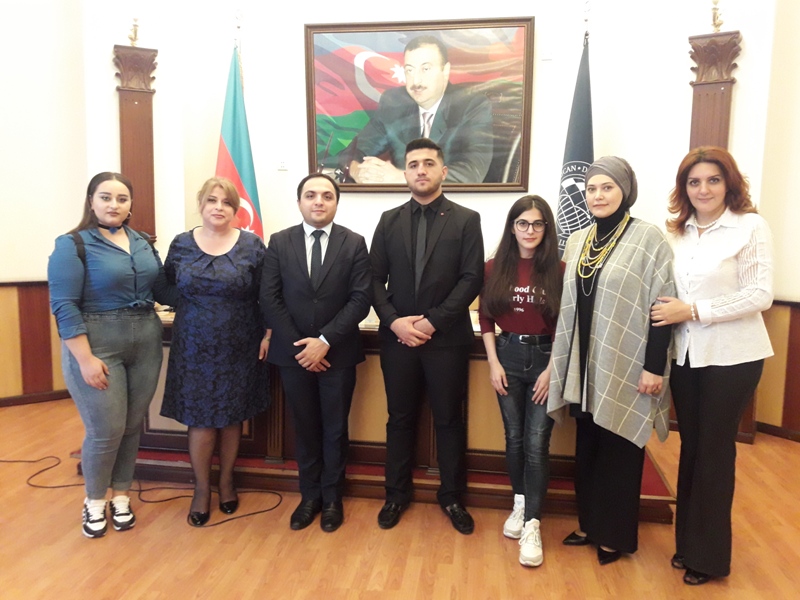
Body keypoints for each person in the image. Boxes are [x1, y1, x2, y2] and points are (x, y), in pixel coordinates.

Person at [651, 146, 773, 585]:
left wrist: (693, 311)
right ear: (684, 188)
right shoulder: (677, 232)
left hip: (733, 357)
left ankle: (710, 557)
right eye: (694, 181)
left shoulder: (750, 226)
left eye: (713, 180)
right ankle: (688, 544)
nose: (703, 189)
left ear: (729, 183)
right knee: (692, 448)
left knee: (715, 452)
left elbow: (760, 294)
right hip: (686, 356)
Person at [547, 157, 675, 565]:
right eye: (591, 189)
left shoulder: (648, 238)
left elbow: (663, 306)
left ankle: (613, 535)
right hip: (584, 363)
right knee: (588, 447)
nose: (598, 196)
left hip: (627, 362)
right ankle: (589, 523)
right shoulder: (578, 239)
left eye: (607, 187)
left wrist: (653, 366)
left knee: (619, 448)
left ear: (625, 191)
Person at [48, 172, 174, 538]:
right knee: (105, 430)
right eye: (105, 197)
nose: (114, 204)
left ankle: (121, 495)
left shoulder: (143, 242)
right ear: (91, 201)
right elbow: (64, 306)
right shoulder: (72, 244)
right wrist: (85, 359)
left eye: (122, 198)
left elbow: (164, 291)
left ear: (131, 203)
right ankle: (94, 501)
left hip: (145, 341)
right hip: (97, 344)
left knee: (131, 426)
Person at [370, 137, 484, 534]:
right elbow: (373, 279)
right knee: (399, 419)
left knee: (449, 420)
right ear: (405, 172)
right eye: (414, 164)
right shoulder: (388, 220)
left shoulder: (466, 220)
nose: (421, 170)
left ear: (443, 171)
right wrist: (395, 322)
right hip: (397, 340)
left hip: (446, 341)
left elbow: (471, 278)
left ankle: (452, 497)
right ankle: (395, 495)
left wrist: (433, 322)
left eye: (429, 163)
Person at [260, 173, 372, 533]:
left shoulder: (354, 243)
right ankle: (309, 497)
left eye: (327, 195)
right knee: (305, 427)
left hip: (338, 354)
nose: (319, 201)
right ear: (299, 202)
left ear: (337, 202)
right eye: (311, 195)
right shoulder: (279, 242)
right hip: (293, 355)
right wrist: (302, 346)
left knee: (335, 429)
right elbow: (270, 298)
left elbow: (361, 299)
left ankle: (333, 498)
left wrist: (324, 340)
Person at [160, 177, 270, 527]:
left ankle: (226, 483)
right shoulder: (181, 244)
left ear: (236, 209)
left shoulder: (252, 245)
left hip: (240, 343)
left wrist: (268, 333)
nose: (218, 207)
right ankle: (201, 489)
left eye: (226, 202)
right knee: (201, 418)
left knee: (232, 416)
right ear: (201, 204)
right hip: (193, 345)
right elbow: (164, 284)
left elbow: (267, 294)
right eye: (212, 200)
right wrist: (190, 304)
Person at [479, 195, 564, 567]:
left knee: (536, 442)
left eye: (537, 223)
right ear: (512, 227)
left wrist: (552, 369)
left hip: (546, 358)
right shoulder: (493, 267)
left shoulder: (559, 269)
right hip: (507, 356)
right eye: (523, 223)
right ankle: (519, 502)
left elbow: (566, 324)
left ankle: (533, 523)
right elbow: (485, 318)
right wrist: (493, 363)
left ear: (546, 228)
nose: (530, 230)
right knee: (513, 437)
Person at [341, 35, 494, 184]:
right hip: (399, 199)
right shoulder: (394, 103)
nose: (416, 81)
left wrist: (403, 178)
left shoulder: (472, 105)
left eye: (425, 69)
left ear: (445, 70)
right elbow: (351, 153)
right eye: (409, 70)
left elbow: (472, 172)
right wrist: (356, 170)